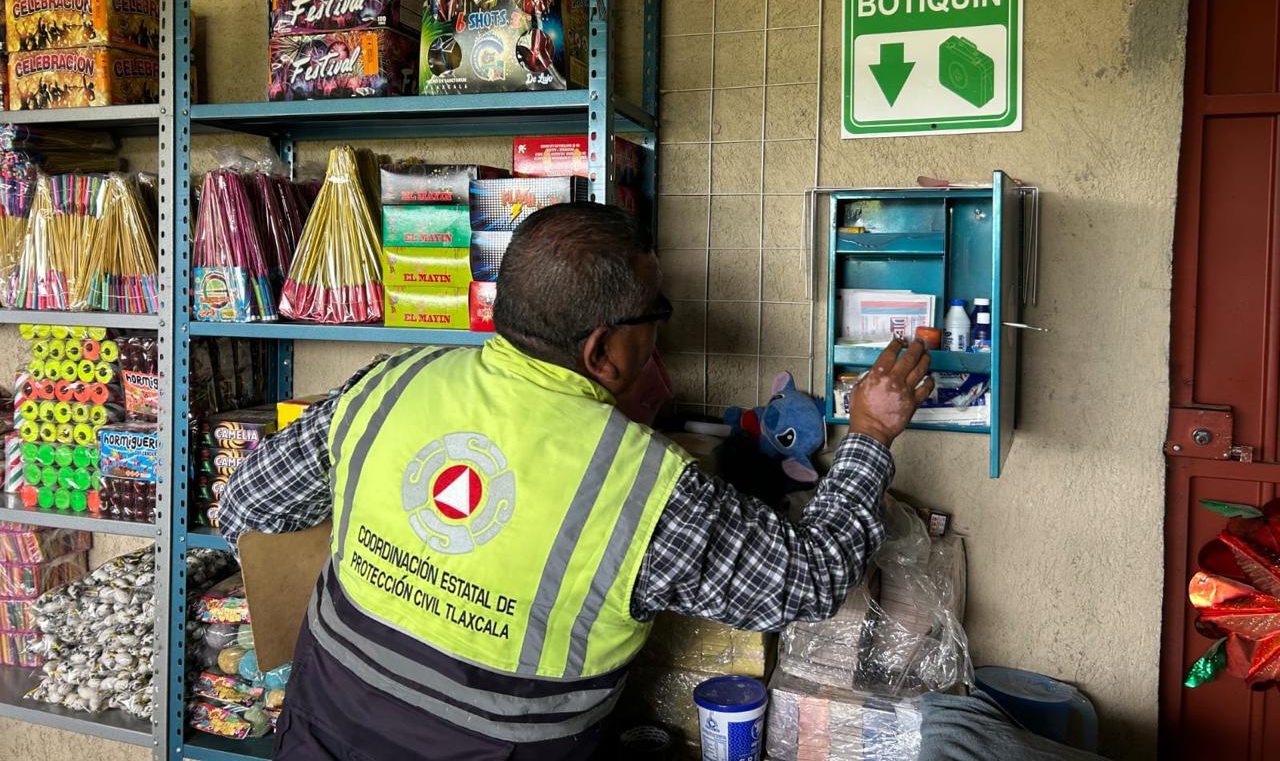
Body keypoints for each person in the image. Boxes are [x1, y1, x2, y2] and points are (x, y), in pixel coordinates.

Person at [219, 202, 934, 761]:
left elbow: (248, 501)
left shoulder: (393, 380)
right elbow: (809, 580)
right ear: (601, 350)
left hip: (324, 722)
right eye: (656, 316)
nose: (660, 333)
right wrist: (871, 433)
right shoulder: (643, 485)